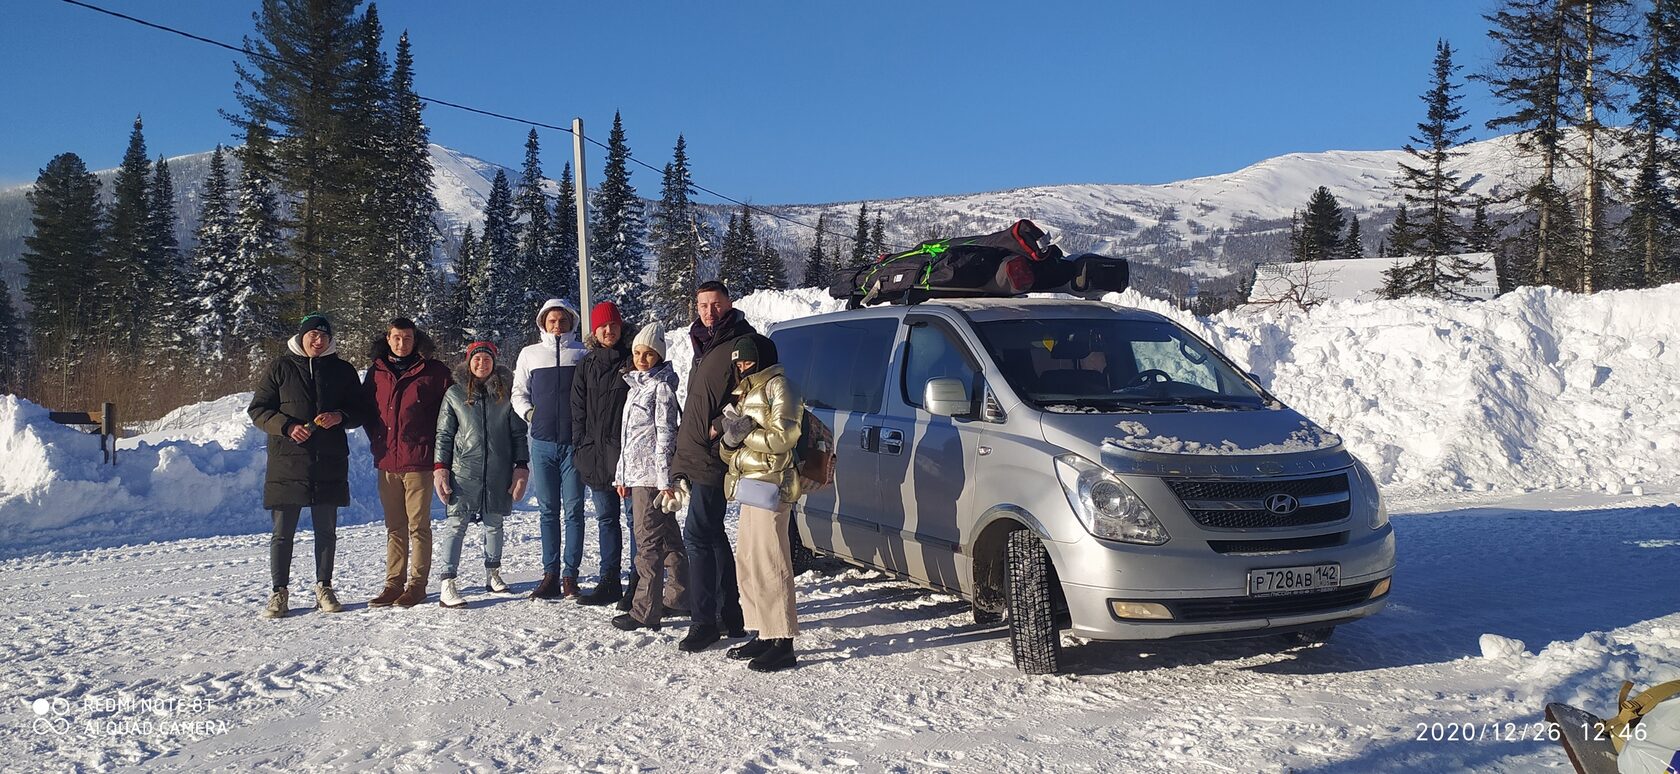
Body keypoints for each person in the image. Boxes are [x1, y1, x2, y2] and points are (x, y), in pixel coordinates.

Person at [248, 313, 369, 619]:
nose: (318, 340)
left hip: (329, 462)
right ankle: (279, 592)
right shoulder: (281, 367)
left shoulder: (342, 370)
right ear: (301, 337)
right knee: (282, 533)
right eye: (312, 335)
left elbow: (360, 411)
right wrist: (286, 427)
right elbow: (259, 410)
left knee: (326, 532)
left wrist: (339, 416)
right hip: (287, 463)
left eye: (324, 336)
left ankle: (324, 587)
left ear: (330, 340)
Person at [671, 280, 756, 652]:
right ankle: (731, 613)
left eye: (716, 304)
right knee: (713, 534)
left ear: (729, 303)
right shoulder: (703, 346)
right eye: (703, 305)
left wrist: (719, 427)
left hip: (715, 455)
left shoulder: (741, 343)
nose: (709, 311)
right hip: (695, 452)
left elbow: (754, 395)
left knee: (697, 536)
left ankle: (704, 621)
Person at [718, 334, 803, 671]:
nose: (742, 366)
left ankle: (783, 640)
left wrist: (746, 433)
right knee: (748, 560)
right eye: (738, 361)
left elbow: (785, 436)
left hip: (773, 485)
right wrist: (729, 438)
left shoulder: (781, 387)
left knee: (771, 561)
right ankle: (763, 630)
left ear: (764, 358)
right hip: (749, 485)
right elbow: (732, 449)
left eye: (748, 360)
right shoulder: (744, 391)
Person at [362, 318, 453, 608]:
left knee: (418, 526)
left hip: (419, 461)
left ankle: (417, 584)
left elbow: (449, 414)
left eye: (408, 338)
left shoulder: (434, 371)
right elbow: (367, 410)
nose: (402, 344)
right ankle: (393, 584)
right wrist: (377, 439)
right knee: (394, 526)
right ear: (387, 339)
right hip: (387, 461)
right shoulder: (376, 371)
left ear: (416, 340)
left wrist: (439, 452)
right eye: (396, 338)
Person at [433, 341, 530, 608]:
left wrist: (521, 466)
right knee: (456, 524)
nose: (481, 364)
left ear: (494, 363)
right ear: (468, 362)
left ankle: (493, 572)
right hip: (464, 470)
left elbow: (518, 434)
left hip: (498, 470)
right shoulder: (454, 393)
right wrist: (440, 469)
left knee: (494, 523)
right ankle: (447, 582)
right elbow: (444, 434)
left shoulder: (505, 395)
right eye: (476, 359)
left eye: (486, 359)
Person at [610, 322, 688, 631]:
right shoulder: (637, 388)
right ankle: (681, 597)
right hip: (636, 475)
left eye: (649, 353)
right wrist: (621, 476)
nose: (642, 359)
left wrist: (664, 480)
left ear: (659, 355)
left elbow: (666, 436)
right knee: (669, 540)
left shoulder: (662, 388)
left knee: (648, 545)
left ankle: (645, 610)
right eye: (638, 352)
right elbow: (629, 437)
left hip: (651, 479)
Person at [513, 298, 588, 599]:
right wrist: (531, 414)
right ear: (543, 323)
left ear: (572, 323)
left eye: (563, 321)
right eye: (552, 321)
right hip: (542, 443)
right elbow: (519, 392)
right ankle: (550, 574)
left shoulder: (582, 353)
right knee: (548, 511)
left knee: (574, 510)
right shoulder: (530, 354)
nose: (557, 326)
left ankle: (571, 575)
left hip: (573, 443)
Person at [570, 301, 635, 607]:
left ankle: (639, 582)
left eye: (613, 325)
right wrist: (581, 448)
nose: (609, 331)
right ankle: (609, 580)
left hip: (630, 457)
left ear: (621, 328)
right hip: (596, 456)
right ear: (594, 332)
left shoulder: (633, 361)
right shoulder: (586, 365)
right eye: (603, 326)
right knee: (606, 519)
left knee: (637, 521)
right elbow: (577, 412)